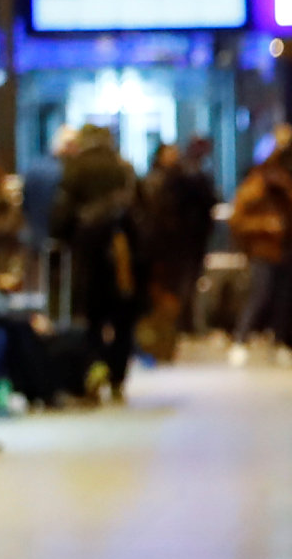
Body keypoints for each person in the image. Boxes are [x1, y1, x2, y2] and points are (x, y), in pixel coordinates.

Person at [54, 126, 142, 403]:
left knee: (90, 316)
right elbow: (140, 213)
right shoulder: (123, 169)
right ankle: (117, 376)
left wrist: (62, 237)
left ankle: (94, 367)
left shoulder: (75, 169)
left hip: (87, 252)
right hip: (122, 252)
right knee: (122, 318)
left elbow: (62, 213)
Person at [229, 131, 292, 364]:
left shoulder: (290, 188)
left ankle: (280, 342)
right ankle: (241, 339)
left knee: (284, 301)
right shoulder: (255, 187)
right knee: (261, 296)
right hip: (264, 251)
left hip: (287, 250)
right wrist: (263, 225)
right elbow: (237, 220)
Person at [135, 136, 218, 360]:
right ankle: (168, 333)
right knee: (169, 291)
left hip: (181, 243)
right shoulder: (162, 181)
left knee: (182, 288)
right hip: (166, 247)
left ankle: (178, 329)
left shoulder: (182, 179)